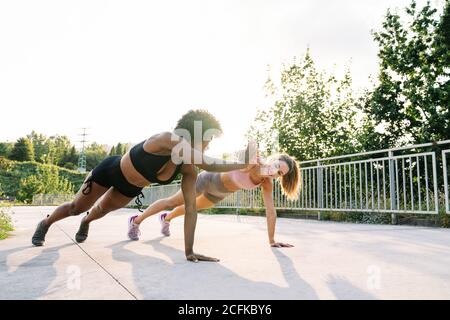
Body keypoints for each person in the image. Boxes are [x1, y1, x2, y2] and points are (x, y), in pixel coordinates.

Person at [31, 109, 255, 262]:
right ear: (193, 136)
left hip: (130, 188)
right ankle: (46, 222)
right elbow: (208, 163)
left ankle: (86, 222)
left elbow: (191, 208)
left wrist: (189, 251)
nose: (206, 147)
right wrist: (243, 163)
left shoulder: (188, 168)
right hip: (110, 170)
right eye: (206, 141)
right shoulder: (167, 139)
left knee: (99, 211)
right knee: (74, 208)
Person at [127, 153, 301, 248]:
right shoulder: (254, 161)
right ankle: (136, 221)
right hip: (207, 180)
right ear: (274, 159)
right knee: (173, 202)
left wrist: (271, 240)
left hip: (219, 194)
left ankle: (166, 219)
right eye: (277, 166)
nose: (274, 172)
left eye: (280, 173)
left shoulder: (266, 183)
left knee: (190, 209)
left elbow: (270, 211)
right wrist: (250, 157)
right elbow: (251, 145)